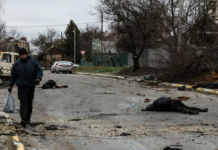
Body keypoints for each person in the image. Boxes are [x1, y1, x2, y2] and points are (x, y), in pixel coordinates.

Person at [8, 48, 43, 127]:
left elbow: (39, 71)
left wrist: (38, 78)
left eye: (23, 55)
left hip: (31, 86)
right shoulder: (16, 64)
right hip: (21, 86)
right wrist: (10, 85)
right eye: (21, 55)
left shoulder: (33, 62)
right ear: (19, 56)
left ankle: (27, 119)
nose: (22, 56)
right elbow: (13, 76)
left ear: (26, 55)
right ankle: (23, 119)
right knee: (23, 102)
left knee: (29, 102)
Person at [141, 97, 208, 115]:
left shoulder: (157, 103)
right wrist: (170, 99)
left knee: (182, 108)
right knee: (186, 107)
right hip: (174, 103)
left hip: (173, 105)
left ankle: (189, 111)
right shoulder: (157, 103)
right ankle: (202, 110)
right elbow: (165, 99)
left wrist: (169, 99)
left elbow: (164, 102)